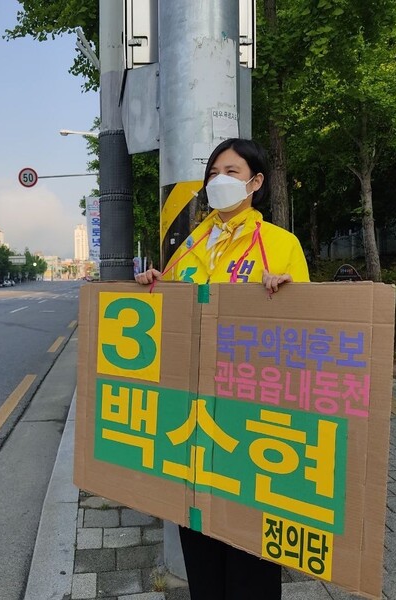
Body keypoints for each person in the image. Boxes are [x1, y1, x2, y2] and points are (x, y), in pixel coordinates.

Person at [135, 138, 310, 599]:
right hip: (193, 414)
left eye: (231, 172)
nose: (219, 181)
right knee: (199, 537)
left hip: (251, 416)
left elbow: (308, 332)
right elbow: (168, 323)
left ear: (255, 183)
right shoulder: (189, 247)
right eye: (213, 172)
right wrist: (154, 286)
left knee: (250, 546)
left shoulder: (279, 244)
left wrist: (288, 293)